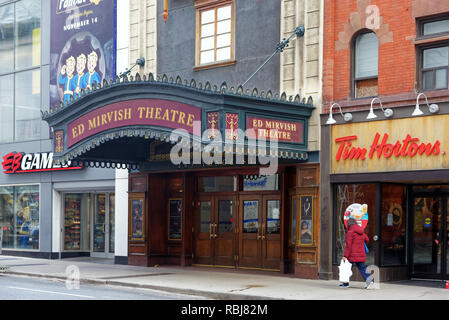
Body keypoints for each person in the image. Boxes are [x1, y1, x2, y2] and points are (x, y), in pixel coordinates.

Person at [340, 218, 374, 289]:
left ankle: (345, 283)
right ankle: (370, 282)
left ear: (348, 224)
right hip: (361, 254)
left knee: (347, 268)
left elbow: (348, 246)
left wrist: (345, 256)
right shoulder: (361, 231)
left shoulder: (350, 232)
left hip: (352, 255)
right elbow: (367, 239)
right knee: (362, 268)